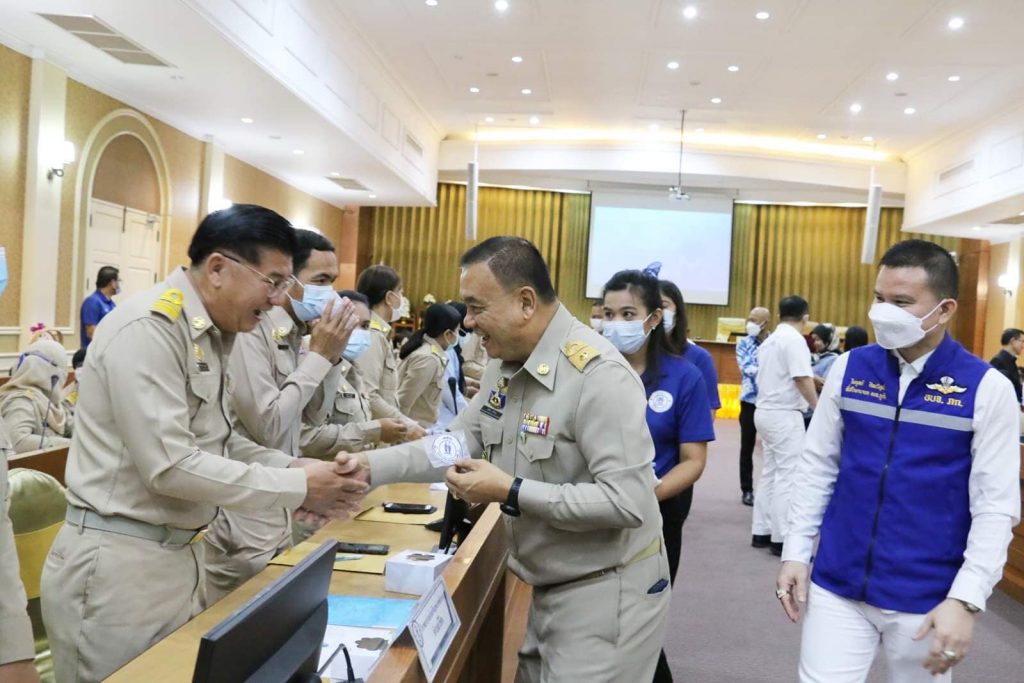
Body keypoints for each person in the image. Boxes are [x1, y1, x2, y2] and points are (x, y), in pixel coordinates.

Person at [40, 205, 369, 682]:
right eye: (273, 281)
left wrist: (296, 469)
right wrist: (299, 488)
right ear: (217, 268)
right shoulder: (150, 329)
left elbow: (221, 442)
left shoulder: (212, 334)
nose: (279, 299)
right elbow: (171, 465)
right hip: (120, 568)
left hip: (182, 557)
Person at [349, 237, 671, 681]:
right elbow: (457, 443)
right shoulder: (506, 367)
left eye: (476, 307)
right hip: (551, 584)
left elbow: (626, 503)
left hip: (608, 590)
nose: (467, 321)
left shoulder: (598, 376)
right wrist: (366, 470)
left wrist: (510, 490)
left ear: (525, 302)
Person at [777, 239, 1021, 682]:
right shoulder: (850, 369)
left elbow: (995, 505)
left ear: (944, 309)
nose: (883, 312)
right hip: (838, 582)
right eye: (879, 298)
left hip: (926, 596)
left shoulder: (986, 388)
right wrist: (796, 550)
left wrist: (966, 598)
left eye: (902, 302)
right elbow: (817, 466)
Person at [202, 229, 360, 604]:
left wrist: (330, 357)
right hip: (244, 513)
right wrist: (318, 357)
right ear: (288, 281)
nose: (330, 293)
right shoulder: (252, 329)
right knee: (236, 618)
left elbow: (313, 417)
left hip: (282, 506)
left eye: (333, 281)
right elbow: (269, 426)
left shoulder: (296, 334)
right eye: (320, 281)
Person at [602, 269, 714, 683]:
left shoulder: (685, 376)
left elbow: (693, 460)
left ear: (653, 318)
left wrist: (648, 495)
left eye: (628, 313)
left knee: (641, 618)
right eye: (608, 314)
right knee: (599, 616)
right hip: (594, 513)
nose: (616, 324)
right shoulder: (592, 371)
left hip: (657, 515)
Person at [301, 290, 410, 458]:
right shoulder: (306, 359)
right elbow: (305, 437)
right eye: (350, 322)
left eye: (365, 326)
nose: (358, 331)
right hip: (320, 469)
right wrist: (373, 432)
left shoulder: (352, 366)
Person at [750, 295, 817, 556]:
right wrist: (818, 406)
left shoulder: (770, 340)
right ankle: (782, 537)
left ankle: (762, 530)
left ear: (778, 315)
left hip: (765, 411)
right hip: (785, 414)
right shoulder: (795, 340)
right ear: (805, 317)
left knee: (771, 472)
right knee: (789, 475)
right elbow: (800, 378)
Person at [353, 265, 423, 435]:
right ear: (390, 298)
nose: (402, 298)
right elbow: (369, 395)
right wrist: (407, 426)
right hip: (375, 432)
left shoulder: (380, 334)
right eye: (400, 292)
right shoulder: (372, 335)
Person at [660, 280, 721, 421]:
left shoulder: (699, 357)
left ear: (678, 312)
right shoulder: (634, 355)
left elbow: (707, 414)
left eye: (663, 306)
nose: (658, 312)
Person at [397, 303, 463, 428]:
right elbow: (403, 402)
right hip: (414, 430)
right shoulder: (428, 359)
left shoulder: (432, 353)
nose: (458, 335)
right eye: (457, 331)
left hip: (423, 427)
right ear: (448, 334)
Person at [0, 339, 72, 453]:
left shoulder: (50, 399)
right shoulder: (20, 401)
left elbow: (71, 427)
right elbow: (17, 442)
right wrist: (69, 444)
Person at [736, 306, 771, 506]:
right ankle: (747, 490)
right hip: (750, 401)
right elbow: (747, 368)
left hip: (771, 402)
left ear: (765, 323)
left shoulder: (775, 342)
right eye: (748, 319)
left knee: (771, 447)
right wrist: (770, 370)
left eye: (754, 320)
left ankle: (770, 490)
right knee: (746, 447)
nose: (749, 323)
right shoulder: (744, 343)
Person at [434, 301, 470, 429]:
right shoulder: (444, 353)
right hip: (441, 421)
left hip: (447, 415)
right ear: (448, 333)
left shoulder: (450, 351)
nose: (461, 335)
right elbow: (451, 395)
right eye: (458, 331)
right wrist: (470, 418)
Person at [79, 266, 119, 348]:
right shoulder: (92, 302)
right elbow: (91, 333)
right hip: (95, 352)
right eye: (118, 281)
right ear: (112, 283)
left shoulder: (111, 304)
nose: (119, 285)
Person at [989, 327, 1023, 405]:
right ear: (1012, 341)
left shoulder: (1011, 361)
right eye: (1022, 341)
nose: (1023, 345)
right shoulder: (998, 361)